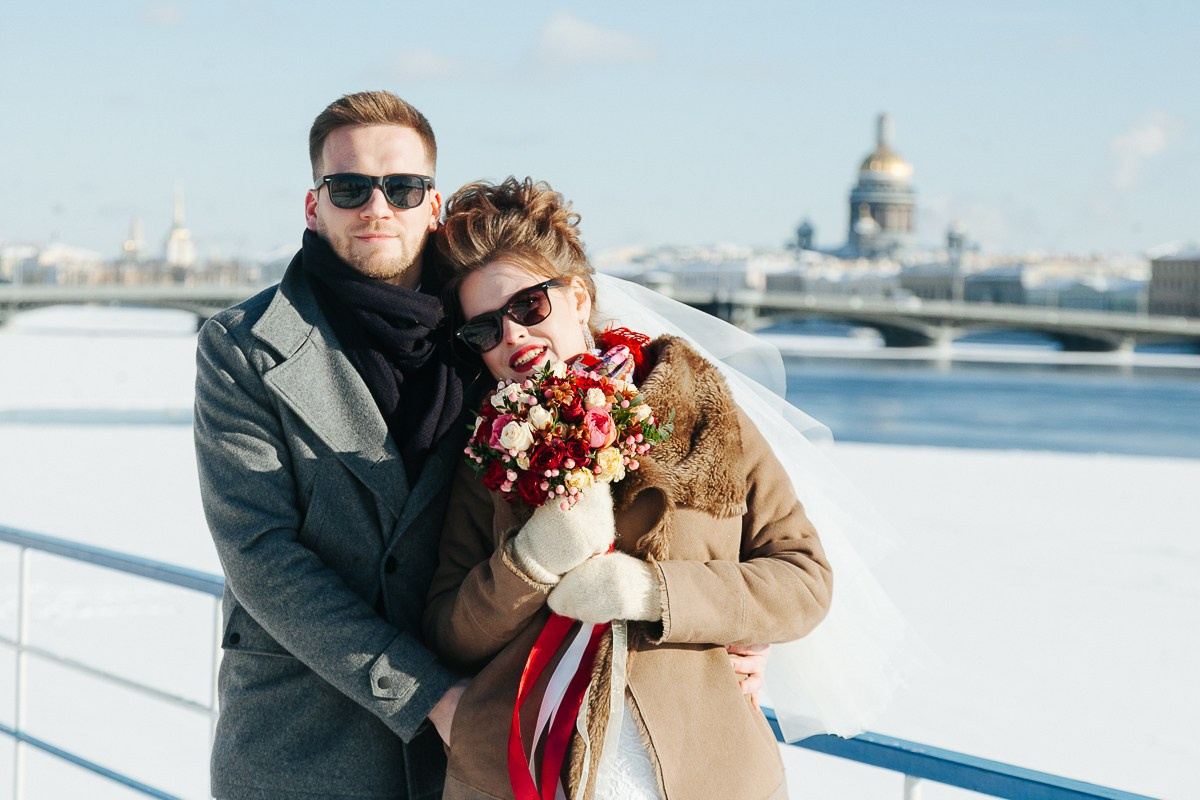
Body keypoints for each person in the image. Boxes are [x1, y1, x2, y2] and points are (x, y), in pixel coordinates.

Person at [194, 91, 770, 800]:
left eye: (402, 188)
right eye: (349, 188)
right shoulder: (243, 348)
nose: (377, 208)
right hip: (309, 738)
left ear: (432, 208)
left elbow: (655, 488)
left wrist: (711, 627)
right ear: (313, 207)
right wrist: (423, 693)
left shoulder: (486, 331)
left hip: (488, 742)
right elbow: (261, 556)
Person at [423, 177, 835, 800]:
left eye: (529, 307)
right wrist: (532, 561)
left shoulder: (702, 410)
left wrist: (655, 592)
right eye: (482, 331)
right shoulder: (486, 453)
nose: (511, 337)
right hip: (523, 774)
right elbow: (449, 628)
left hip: (705, 774)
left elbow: (804, 580)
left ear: (580, 299)